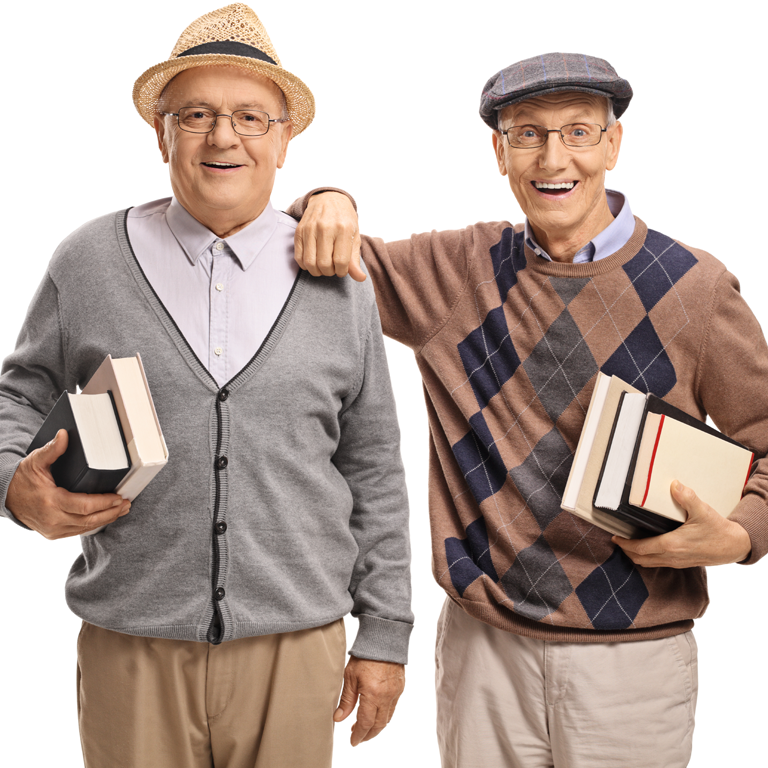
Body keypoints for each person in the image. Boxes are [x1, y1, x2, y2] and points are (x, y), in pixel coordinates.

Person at [290, 52, 768, 768]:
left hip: (634, 661)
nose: (553, 157)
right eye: (527, 134)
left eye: (578, 132)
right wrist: (325, 198)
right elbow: (319, 252)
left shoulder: (694, 290)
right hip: (486, 650)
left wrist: (737, 536)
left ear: (613, 144)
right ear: (499, 152)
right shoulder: (457, 271)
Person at [0, 4, 412, 767]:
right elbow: (15, 397)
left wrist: (385, 633)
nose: (224, 137)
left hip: (296, 646)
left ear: (285, 140)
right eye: (197, 114)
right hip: (132, 640)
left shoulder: (338, 277)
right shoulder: (87, 261)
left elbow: (373, 465)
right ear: (161, 130)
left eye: (251, 116)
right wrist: (11, 487)